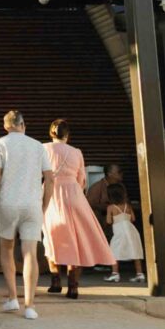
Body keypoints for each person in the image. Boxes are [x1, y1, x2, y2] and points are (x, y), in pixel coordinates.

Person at [0, 110, 46, 319]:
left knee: (7, 248)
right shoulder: (38, 146)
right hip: (32, 205)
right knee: (30, 253)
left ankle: (12, 298)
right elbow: (51, 178)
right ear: (23, 124)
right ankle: (30, 306)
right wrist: (44, 206)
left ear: (5, 126)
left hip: (7, 203)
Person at [40, 118, 114, 298]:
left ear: (51, 132)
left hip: (52, 194)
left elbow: (38, 173)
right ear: (67, 134)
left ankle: (55, 281)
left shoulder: (44, 148)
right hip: (74, 195)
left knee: (52, 237)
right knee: (76, 239)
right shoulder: (77, 152)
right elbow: (82, 180)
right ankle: (73, 286)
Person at [103, 184, 146, 283]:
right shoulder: (128, 206)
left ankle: (115, 274)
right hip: (131, 230)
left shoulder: (111, 207)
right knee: (135, 252)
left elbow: (109, 221)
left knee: (114, 251)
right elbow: (133, 218)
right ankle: (140, 274)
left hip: (119, 232)